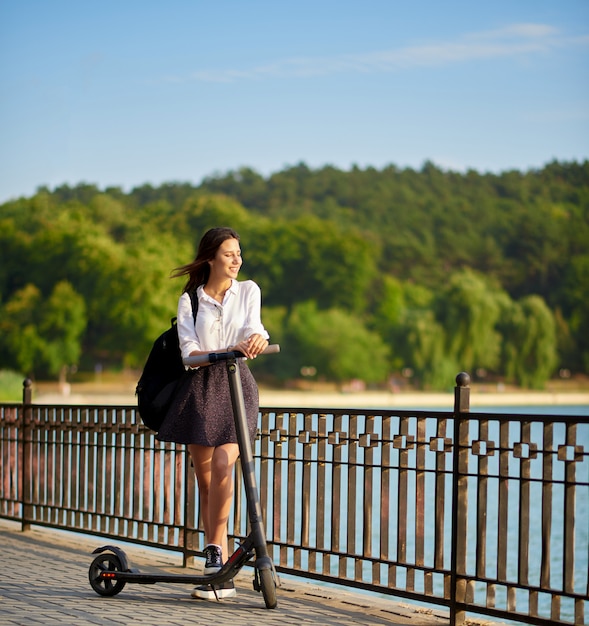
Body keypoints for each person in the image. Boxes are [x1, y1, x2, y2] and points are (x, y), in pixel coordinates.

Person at [156, 227, 269, 600]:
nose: (237, 260)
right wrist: (221, 351)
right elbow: (188, 353)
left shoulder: (249, 290)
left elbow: (255, 328)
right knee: (206, 480)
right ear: (210, 258)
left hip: (238, 385)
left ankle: (217, 555)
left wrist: (257, 339)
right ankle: (215, 556)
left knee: (224, 464)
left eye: (239, 253)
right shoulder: (190, 299)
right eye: (229, 254)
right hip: (202, 388)